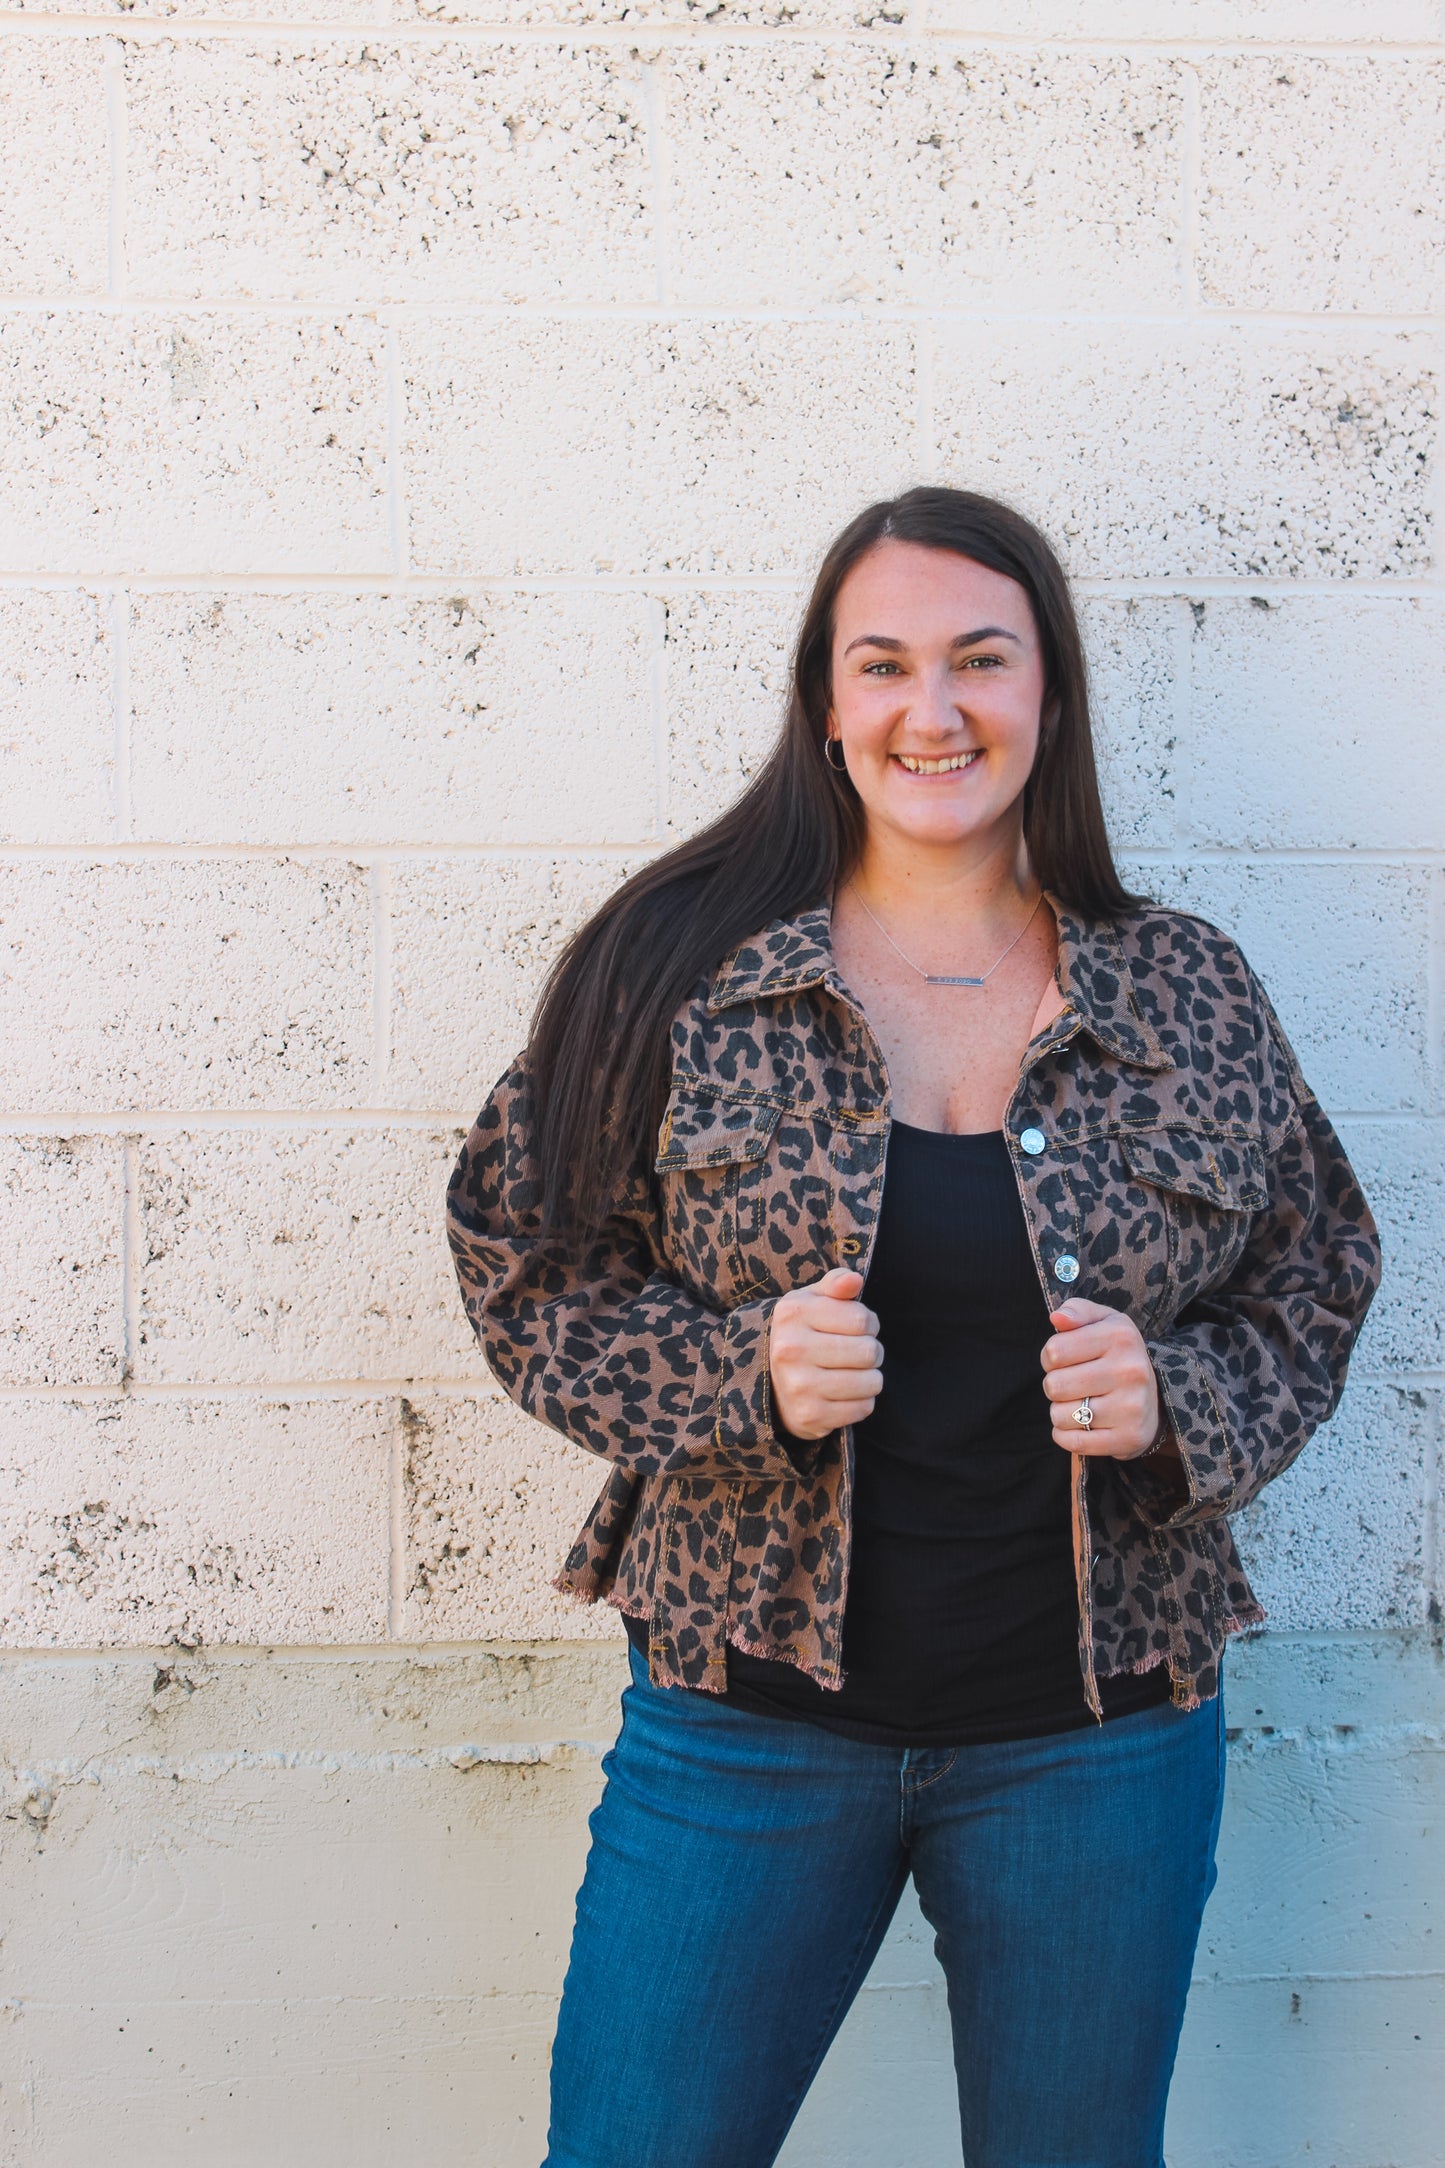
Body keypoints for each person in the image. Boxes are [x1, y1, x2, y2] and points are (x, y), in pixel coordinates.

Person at [446, 487, 1381, 2168]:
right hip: (741, 1729)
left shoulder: (1188, 990)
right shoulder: (676, 967)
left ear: (1048, 693)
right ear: (826, 702)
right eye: (881, 664)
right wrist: (741, 1375)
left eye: (979, 661)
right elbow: (523, 1260)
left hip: (1097, 1748)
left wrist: (1179, 1395)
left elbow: (1317, 1273)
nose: (930, 711)